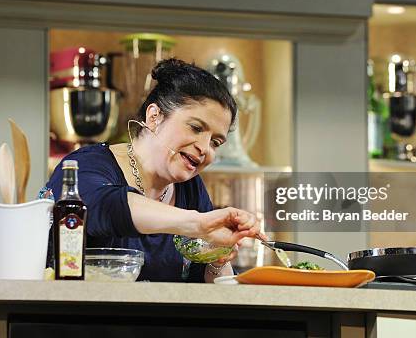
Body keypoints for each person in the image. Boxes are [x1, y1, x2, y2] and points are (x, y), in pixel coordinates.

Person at [44, 58, 264, 282]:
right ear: (154, 116)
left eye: (216, 142)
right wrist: (199, 224)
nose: (204, 148)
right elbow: (108, 207)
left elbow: (211, 289)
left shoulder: (190, 189)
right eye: (196, 128)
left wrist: (219, 257)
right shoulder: (86, 165)